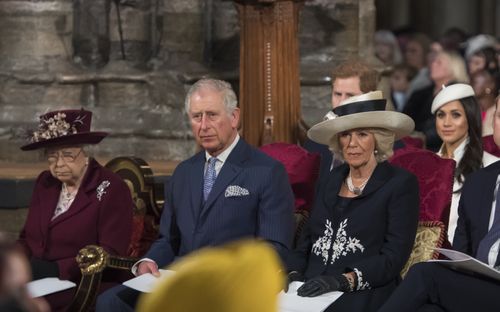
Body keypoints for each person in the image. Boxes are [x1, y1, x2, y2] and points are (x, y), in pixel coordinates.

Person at [96, 78, 295, 311]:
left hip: (228, 286)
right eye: (196, 117)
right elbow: (168, 240)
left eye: (212, 115)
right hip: (179, 279)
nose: (203, 125)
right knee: (110, 301)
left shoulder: (267, 171)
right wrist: (148, 262)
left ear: (234, 117)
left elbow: (273, 250)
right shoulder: (183, 172)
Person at [286, 91, 419, 312]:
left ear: (378, 139)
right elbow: (307, 240)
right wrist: (292, 272)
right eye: (346, 135)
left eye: (362, 134)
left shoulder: (400, 184)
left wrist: (343, 280)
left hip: (365, 289)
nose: (352, 144)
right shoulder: (329, 180)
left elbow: (393, 258)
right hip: (310, 286)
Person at [378, 95, 500, 312]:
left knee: (424, 274)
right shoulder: (480, 181)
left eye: (455, 115)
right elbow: (463, 252)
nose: (446, 122)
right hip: (479, 284)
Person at [17, 108, 133, 311]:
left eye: (68, 155)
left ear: (86, 153)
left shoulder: (111, 187)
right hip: (36, 279)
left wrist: (56, 269)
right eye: (52, 157)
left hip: (83, 283)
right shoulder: (45, 182)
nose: (59, 164)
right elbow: (27, 238)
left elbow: (110, 251)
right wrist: (12, 261)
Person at [432, 83, 499, 243]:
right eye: (441, 115)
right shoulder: (427, 165)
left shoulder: (491, 165)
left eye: (455, 115)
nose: (446, 123)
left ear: (470, 117)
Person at [137, 239, 283, 312]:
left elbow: (269, 246)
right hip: (174, 275)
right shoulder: (179, 180)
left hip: (229, 284)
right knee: (114, 300)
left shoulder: (265, 178)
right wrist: (149, 260)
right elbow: (169, 237)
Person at [304, 59, 380, 177]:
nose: (341, 103)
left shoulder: (387, 143)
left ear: (369, 98)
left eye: (350, 95)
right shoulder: (316, 141)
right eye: (337, 94)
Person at [404, 50, 469, 151]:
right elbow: (405, 118)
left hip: (443, 148)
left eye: (439, 62)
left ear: (453, 68)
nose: (433, 64)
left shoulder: (458, 94)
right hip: (414, 144)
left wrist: (420, 138)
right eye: (433, 61)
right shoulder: (420, 93)